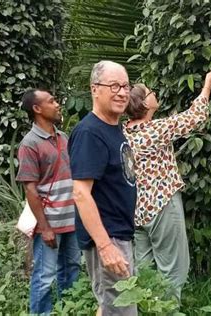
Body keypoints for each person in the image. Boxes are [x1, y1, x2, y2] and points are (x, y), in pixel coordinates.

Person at [123, 68, 211, 302]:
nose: (154, 94)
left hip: (136, 211)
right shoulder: (154, 130)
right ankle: (168, 309)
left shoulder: (124, 132)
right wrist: (208, 85)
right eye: (150, 92)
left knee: (144, 271)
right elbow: (194, 118)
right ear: (144, 104)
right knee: (173, 270)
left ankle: (145, 309)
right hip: (161, 205)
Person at [68, 60, 137, 316]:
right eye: (114, 85)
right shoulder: (90, 132)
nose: (122, 92)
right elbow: (80, 192)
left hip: (119, 234)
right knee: (121, 310)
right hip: (108, 238)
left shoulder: (113, 128)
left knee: (109, 307)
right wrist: (105, 246)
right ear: (95, 89)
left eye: (126, 86)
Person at [16, 89, 80, 315]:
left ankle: (68, 310)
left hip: (71, 220)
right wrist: (45, 228)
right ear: (37, 109)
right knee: (44, 277)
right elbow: (30, 189)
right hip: (49, 225)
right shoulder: (29, 144)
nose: (57, 104)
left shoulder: (63, 137)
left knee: (71, 269)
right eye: (51, 101)